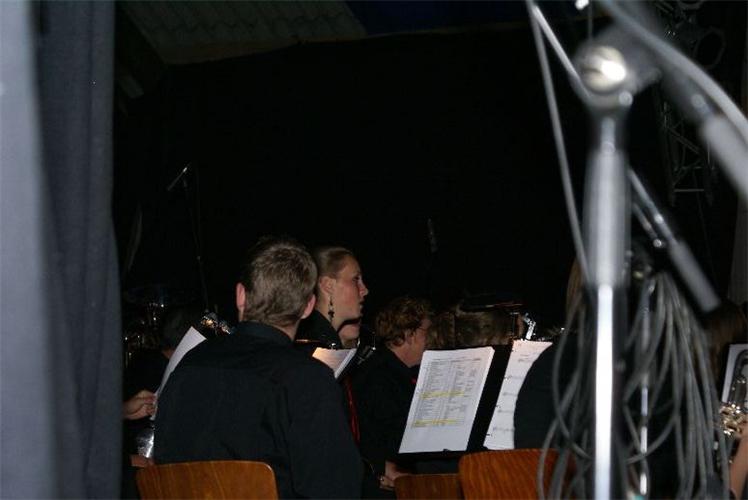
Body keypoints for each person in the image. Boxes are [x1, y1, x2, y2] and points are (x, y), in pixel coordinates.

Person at [154, 237, 362, 498]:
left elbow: (162, 464)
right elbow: (337, 490)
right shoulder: (307, 380)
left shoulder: (188, 365)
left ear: (241, 296)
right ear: (308, 306)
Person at [352, 296, 432, 498]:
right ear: (409, 334)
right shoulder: (379, 376)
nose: (431, 339)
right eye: (427, 332)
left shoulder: (394, 371)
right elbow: (388, 440)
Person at [296, 246, 369, 349]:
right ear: (328, 285)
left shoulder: (324, 341)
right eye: (356, 279)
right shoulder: (313, 346)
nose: (365, 290)